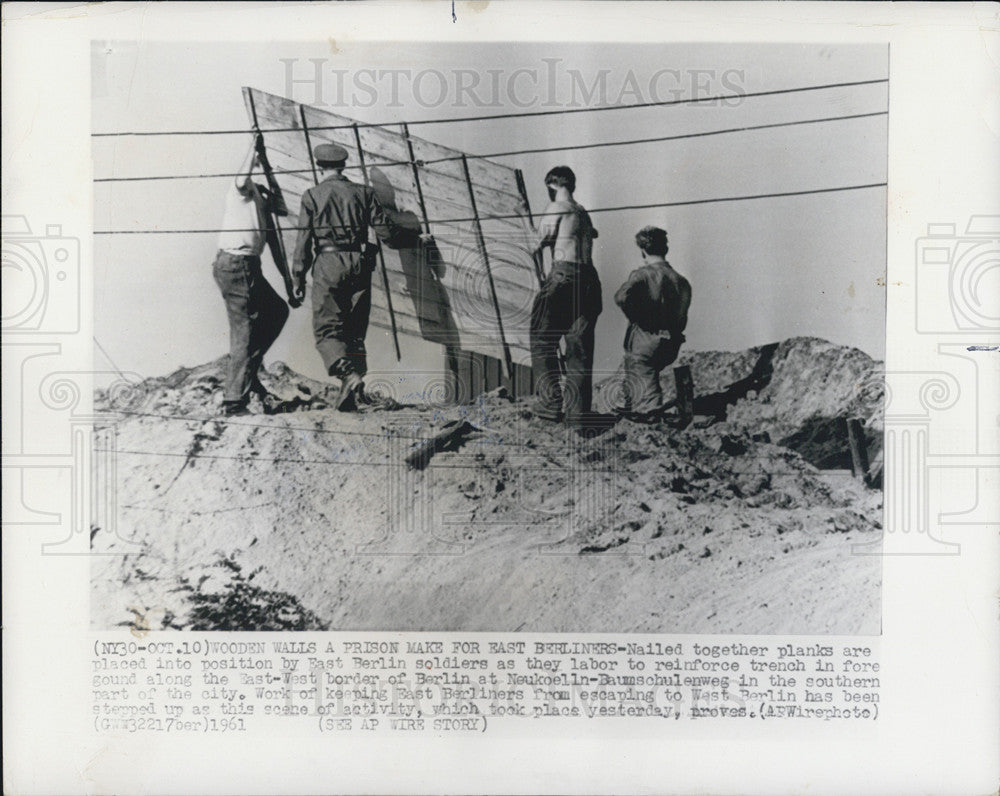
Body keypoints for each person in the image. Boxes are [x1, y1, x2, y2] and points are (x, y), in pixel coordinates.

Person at [291, 143, 414, 412]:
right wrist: (415, 237)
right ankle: (354, 391)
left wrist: (297, 278)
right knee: (355, 329)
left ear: (319, 166)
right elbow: (388, 236)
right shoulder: (365, 193)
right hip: (360, 264)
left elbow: (303, 242)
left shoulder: (312, 196)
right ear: (343, 166)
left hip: (328, 264)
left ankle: (348, 375)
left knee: (327, 329)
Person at [213, 135, 296, 416]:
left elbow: (276, 247)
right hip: (237, 264)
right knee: (245, 330)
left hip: (248, 266)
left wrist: (289, 284)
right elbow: (241, 177)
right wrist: (254, 149)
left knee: (276, 311)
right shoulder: (241, 192)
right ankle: (234, 400)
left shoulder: (261, 207)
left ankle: (248, 373)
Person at [514, 166, 602, 424]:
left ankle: (550, 404)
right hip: (589, 280)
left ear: (551, 186)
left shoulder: (557, 208)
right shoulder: (583, 213)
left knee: (542, 339)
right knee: (579, 348)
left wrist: (522, 216)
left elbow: (534, 243)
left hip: (565, 276)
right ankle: (578, 414)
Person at [613, 225, 692, 415]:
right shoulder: (681, 281)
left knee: (642, 372)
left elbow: (621, 297)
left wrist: (640, 317)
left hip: (646, 342)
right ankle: (637, 406)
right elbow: (683, 316)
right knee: (640, 373)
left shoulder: (641, 275)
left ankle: (651, 415)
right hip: (671, 343)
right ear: (665, 249)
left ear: (642, 251)